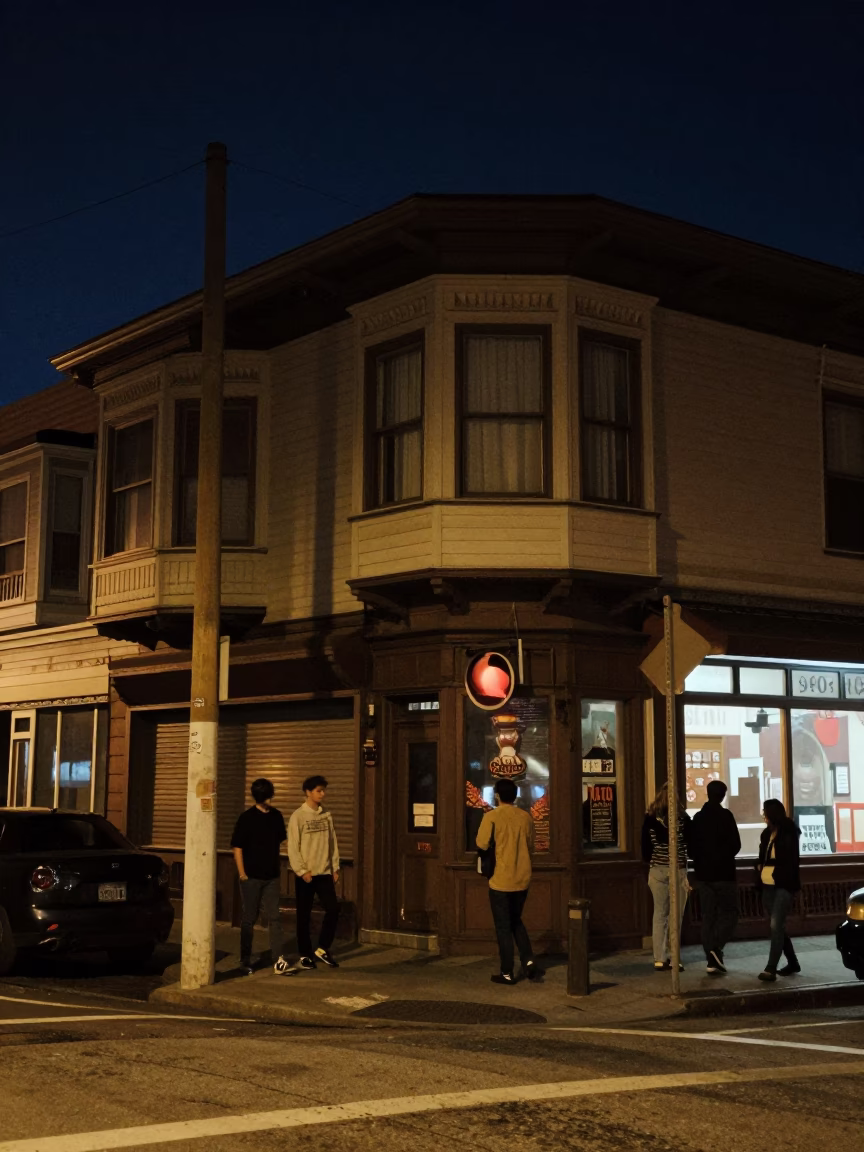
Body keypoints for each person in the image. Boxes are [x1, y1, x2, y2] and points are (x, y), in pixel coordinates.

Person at [475, 778, 540, 985]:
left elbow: (481, 844)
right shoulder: (526, 818)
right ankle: (528, 960)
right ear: (515, 795)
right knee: (515, 920)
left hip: (500, 880)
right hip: (522, 878)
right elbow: (531, 848)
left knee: (503, 926)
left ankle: (507, 972)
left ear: (497, 795)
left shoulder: (491, 817)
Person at [230, 778, 294, 976]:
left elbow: (281, 841)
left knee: (275, 917)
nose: (269, 798)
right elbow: (237, 846)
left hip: (272, 876)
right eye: (266, 794)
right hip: (251, 877)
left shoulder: (276, 816)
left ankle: (278, 959)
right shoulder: (246, 818)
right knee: (249, 918)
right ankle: (245, 959)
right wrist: (242, 874)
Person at [287, 775, 341, 970]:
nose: (322, 794)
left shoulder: (326, 815)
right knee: (304, 915)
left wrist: (335, 867)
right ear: (308, 792)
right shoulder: (298, 816)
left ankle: (323, 947)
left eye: (323, 790)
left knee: (333, 909)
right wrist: (301, 870)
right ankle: (305, 954)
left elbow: (332, 843)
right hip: (307, 874)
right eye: (319, 790)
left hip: (325, 872)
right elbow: (293, 847)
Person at [690, 779, 741, 974]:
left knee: (708, 916)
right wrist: (723, 856)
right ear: (723, 795)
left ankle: (711, 956)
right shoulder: (726, 816)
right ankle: (715, 949)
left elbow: (692, 848)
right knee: (730, 913)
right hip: (725, 874)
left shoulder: (698, 818)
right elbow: (736, 845)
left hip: (703, 875)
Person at [641, 784, 692, 971]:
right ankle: (674, 957)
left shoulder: (649, 818)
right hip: (677, 869)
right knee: (675, 916)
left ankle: (659, 958)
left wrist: (653, 859)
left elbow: (645, 848)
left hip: (657, 870)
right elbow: (690, 842)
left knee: (659, 914)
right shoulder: (682, 818)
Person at [756, 798, 801, 981]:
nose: (763, 815)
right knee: (778, 927)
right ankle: (793, 963)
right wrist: (758, 867)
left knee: (775, 925)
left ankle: (770, 968)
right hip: (766, 884)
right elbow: (762, 856)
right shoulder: (766, 834)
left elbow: (789, 861)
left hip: (784, 884)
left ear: (771, 813)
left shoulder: (788, 832)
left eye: (765, 812)